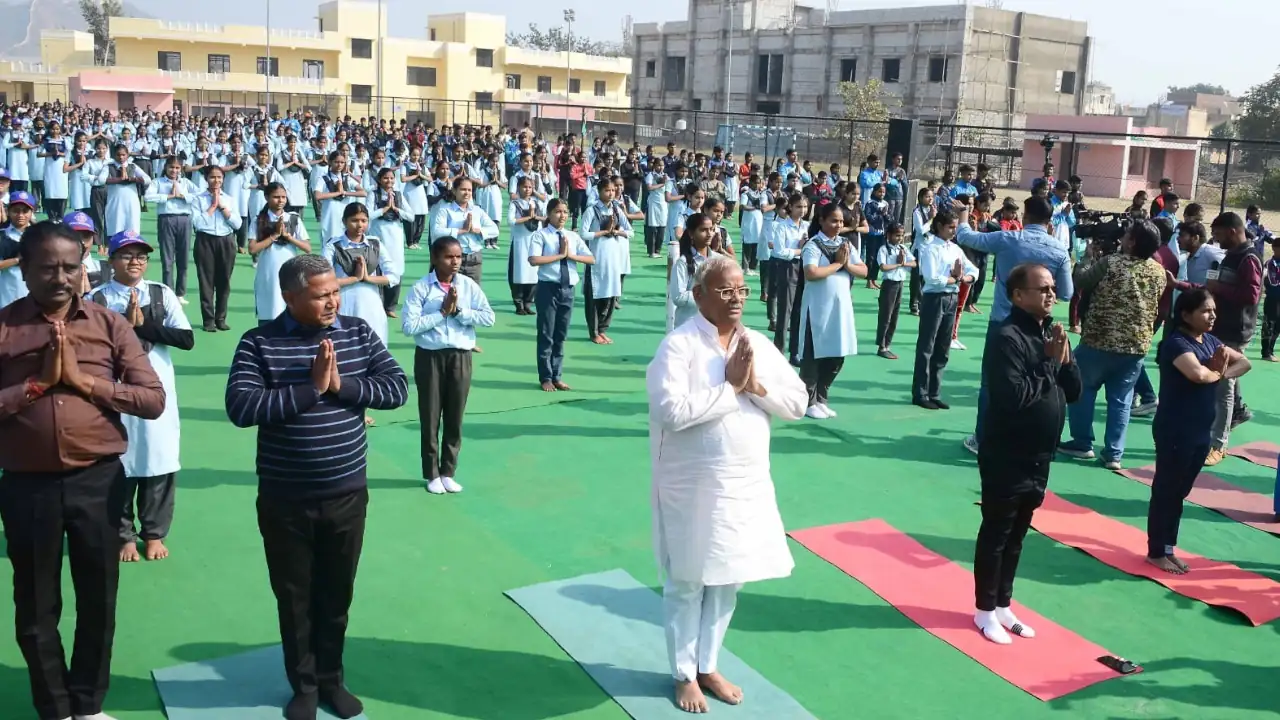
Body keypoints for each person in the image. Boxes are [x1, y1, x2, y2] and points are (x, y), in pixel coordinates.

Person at [225, 253, 408, 720]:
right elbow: (242, 408)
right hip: (286, 500)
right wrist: (309, 389)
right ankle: (304, 685)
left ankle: (332, 679)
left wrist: (339, 386)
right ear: (289, 297)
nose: (332, 301)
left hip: (347, 495)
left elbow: (395, 389)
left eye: (334, 292)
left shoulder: (358, 332)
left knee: (336, 595)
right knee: (294, 596)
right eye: (320, 294)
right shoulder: (258, 343)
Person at [0, 221, 165, 720]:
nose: (61, 277)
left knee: (98, 599)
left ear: (83, 268)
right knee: (35, 606)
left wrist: (85, 384)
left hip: (97, 480)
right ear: (24, 270)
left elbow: (152, 399)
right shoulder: (4, 326)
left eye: (71, 267)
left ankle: (88, 705)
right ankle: (54, 707)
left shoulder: (108, 324)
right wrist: (37, 385)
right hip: (27, 484)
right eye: (47, 267)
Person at [646, 253, 807, 714]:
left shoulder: (755, 342)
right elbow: (669, 411)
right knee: (688, 580)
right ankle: (683, 673)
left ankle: (708, 664)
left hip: (745, 482)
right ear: (699, 296)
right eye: (725, 290)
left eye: (741, 290)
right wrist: (729, 389)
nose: (736, 298)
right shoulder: (679, 346)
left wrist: (756, 387)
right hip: (692, 485)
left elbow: (796, 401)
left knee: (727, 579)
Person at [973, 263, 1081, 644]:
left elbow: (1076, 391)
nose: (1051, 295)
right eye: (1042, 289)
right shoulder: (1007, 337)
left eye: (1053, 288)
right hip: (1007, 453)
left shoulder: (1050, 334)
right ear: (1019, 296)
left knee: (1019, 533)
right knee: (997, 532)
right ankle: (984, 610)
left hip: (1040, 455)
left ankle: (1003, 604)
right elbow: (1013, 397)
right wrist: (1050, 362)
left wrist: (1064, 358)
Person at [89, 230, 195, 562]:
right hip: (114, 390)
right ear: (112, 261)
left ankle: (154, 533)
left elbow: (186, 339)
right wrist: (123, 324)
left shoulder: (161, 294)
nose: (135, 262)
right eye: (127, 255)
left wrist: (143, 326)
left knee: (159, 459)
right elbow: (88, 343)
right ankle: (123, 535)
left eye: (141, 256)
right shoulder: (97, 299)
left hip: (156, 389)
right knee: (118, 461)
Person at [953, 197, 1074, 454]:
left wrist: (963, 214)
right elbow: (1066, 292)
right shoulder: (1059, 249)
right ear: (1049, 221)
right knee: (1040, 380)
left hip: (1003, 324)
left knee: (994, 384)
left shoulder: (1009, 238)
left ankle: (983, 438)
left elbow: (967, 237)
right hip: (1040, 326)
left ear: (1025, 217)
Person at [1146, 288, 1251, 574]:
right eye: (1206, 310)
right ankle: (1157, 551)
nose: (1212, 315)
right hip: (1175, 428)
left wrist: (1220, 372)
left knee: (1179, 491)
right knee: (1167, 489)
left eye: (1213, 310)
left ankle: (1168, 547)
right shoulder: (1176, 344)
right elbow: (1197, 374)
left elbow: (1244, 362)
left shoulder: (1211, 342)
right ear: (1185, 314)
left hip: (1200, 430)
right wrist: (1215, 372)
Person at [1058, 220, 1166, 470]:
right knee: (1121, 399)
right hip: (1135, 345)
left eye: (1126, 235)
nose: (1122, 238)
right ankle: (1114, 453)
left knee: (1082, 389)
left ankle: (1082, 442)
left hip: (1099, 339)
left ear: (1132, 241)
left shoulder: (1111, 263)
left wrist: (1087, 257)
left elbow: (1082, 282)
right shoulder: (1158, 271)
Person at [401, 237, 495, 495]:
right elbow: (409, 326)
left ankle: (448, 471)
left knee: (455, 416)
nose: (454, 262)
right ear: (434, 258)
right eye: (448, 257)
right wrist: (441, 313)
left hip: (460, 356)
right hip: (430, 356)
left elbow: (488, 317)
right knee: (430, 416)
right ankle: (431, 473)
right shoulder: (421, 288)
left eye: (458, 257)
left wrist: (457, 312)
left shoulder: (468, 286)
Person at [1202, 212, 1264, 466]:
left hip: (1234, 331)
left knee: (1223, 387)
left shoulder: (1249, 259)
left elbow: (1252, 295)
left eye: (1217, 234)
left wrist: (1220, 290)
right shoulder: (1231, 256)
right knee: (1222, 383)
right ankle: (1237, 412)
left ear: (1231, 231)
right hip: (1220, 328)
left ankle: (1219, 444)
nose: (1215, 239)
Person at [799, 203, 867, 418]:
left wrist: (846, 264)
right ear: (821, 220)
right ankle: (807, 401)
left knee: (837, 354)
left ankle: (821, 396)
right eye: (833, 221)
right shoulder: (813, 244)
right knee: (814, 354)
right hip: (817, 308)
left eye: (841, 221)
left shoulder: (846, 244)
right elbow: (811, 273)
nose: (838, 225)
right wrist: (838, 264)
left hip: (840, 309)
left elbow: (863, 270)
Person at [529, 198, 594, 391]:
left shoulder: (572, 236)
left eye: (565, 212)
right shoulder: (541, 235)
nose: (562, 215)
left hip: (568, 289)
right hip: (548, 288)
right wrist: (559, 255)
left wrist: (570, 256)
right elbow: (533, 259)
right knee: (546, 333)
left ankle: (557, 375)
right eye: (558, 211)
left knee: (560, 334)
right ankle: (546, 377)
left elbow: (591, 258)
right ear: (549, 214)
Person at [914, 211, 978, 410]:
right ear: (939, 225)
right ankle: (920, 393)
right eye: (950, 227)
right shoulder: (929, 248)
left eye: (955, 227)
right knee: (927, 346)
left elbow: (973, 270)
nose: (953, 231)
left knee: (943, 347)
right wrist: (955, 278)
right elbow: (931, 277)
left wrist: (963, 278)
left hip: (951, 298)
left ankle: (934, 392)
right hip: (934, 298)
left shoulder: (956, 249)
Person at [248, 183, 311, 325]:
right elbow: (252, 249)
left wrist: (288, 237)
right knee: (269, 309)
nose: (281, 200)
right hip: (267, 272)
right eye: (276, 197)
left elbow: (307, 247)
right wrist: (274, 235)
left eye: (283, 197)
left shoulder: (294, 219)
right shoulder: (259, 220)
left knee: (290, 307)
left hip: (290, 270)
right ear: (266, 197)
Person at [191, 166, 242, 332]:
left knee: (224, 281)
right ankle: (208, 321)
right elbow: (197, 224)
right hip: (205, 241)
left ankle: (221, 318)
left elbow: (238, 224)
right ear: (206, 179)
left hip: (226, 241)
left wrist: (222, 207)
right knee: (206, 281)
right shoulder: (198, 199)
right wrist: (212, 206)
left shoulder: (229, 199)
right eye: (212, 177)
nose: (216, 181)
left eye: (219, 177)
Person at [143, 157, 197, 305]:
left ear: (181, 169)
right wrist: (168, 196)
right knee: (167, 258)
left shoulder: (185, 183)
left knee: (183, 258)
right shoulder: (158, 182)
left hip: (184, 220)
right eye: (171, 167)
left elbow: (199, 196)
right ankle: (169, 291)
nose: (174, 171)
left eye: (177, 168)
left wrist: (182, 196)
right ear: (166, 167)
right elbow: (148, 197)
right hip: (166, 219)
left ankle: (180, 292)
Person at [876, 222, 915, 359]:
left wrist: (904, 263)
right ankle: (881, 346)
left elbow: (914, 263)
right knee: (885, 316)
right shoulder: (884, 249)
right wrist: (898, 264)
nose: (900, 238)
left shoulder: (903, 248)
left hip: (900, 284)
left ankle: (888, 344)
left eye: (902, 235)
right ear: (889, 235)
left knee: (894, 317)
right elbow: (883, 267)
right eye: (897, 235)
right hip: (889, 285)